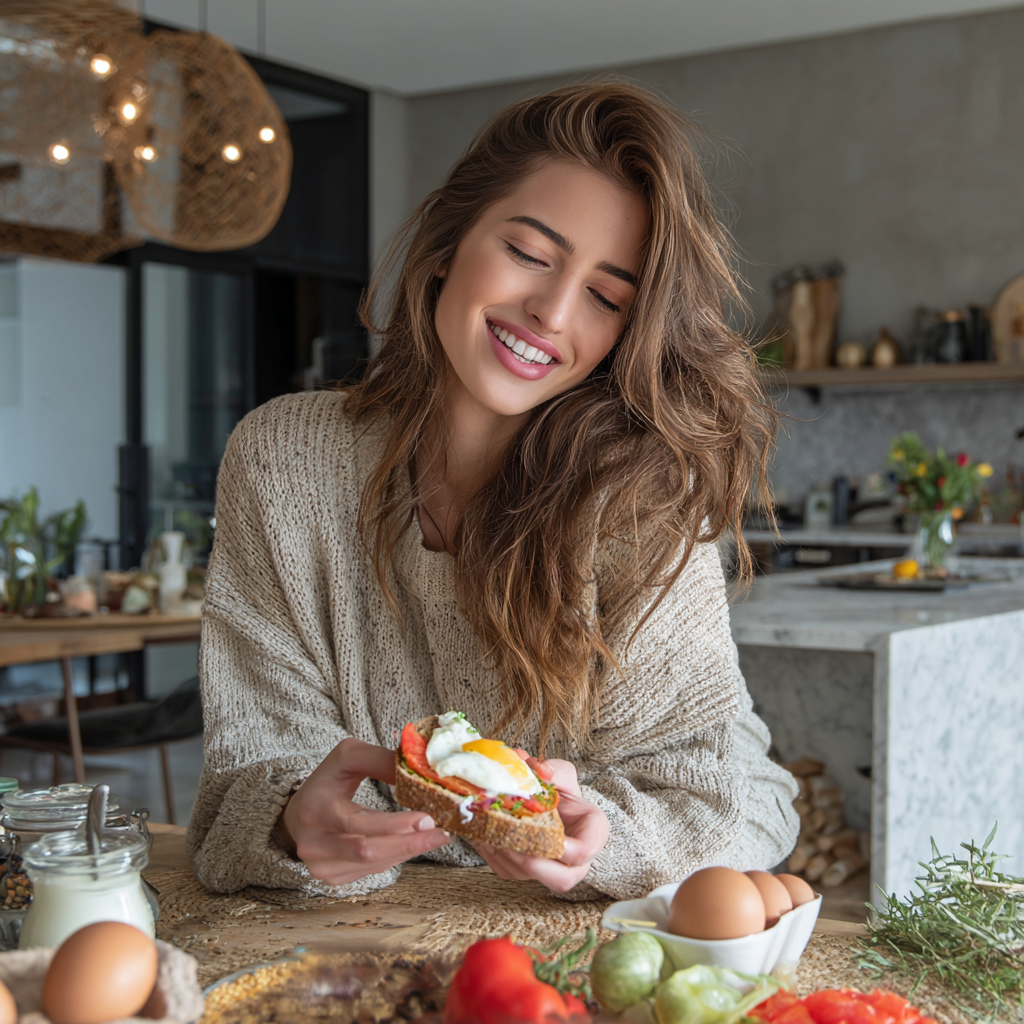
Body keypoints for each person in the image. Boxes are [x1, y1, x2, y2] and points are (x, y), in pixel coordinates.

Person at [188, 82, 799, 900]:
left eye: (605, 295)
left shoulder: (643, 505)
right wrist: (293, 821)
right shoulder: (283, 458)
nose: (551, 310)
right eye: (529, 253)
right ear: (447, 242)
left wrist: (596, 839)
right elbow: (246, 772)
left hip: (576, 940)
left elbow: (719, 800)